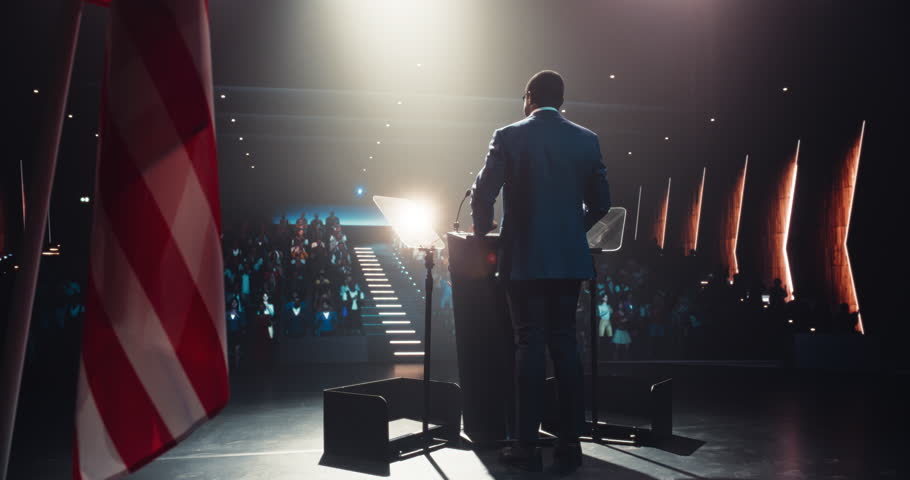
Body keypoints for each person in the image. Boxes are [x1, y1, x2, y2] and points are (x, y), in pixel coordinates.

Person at [471, 70, 611, 472]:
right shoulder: (587, 139)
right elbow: (602, 203)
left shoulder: (508, 135)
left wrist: (485, 235)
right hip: (569, 261)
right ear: (561, 100)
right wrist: (570, 231)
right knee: (565, 345)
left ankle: (525, 445)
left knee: (529, 344)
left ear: (529, 96)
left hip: (525, 259)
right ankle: (570, 443)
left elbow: (483, 193)